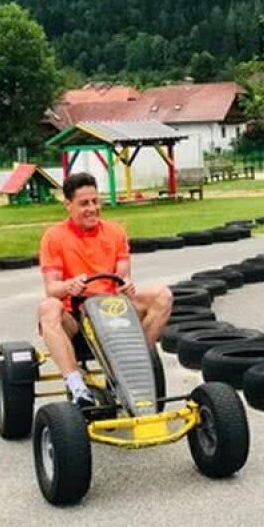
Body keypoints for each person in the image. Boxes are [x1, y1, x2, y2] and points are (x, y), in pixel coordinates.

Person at [38, 172, 172, 408]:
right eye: (84, 204)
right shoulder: (54, 237)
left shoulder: (115, 232)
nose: (92, 208)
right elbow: (52, 287)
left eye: (95, 201)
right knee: (48, 307)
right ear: (68, 205)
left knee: (163, 295)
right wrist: (70, 286)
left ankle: (132, 365)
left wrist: (126, 283)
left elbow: (122, 275)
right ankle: (77, 386)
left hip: (112, 311)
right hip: (76, 317)